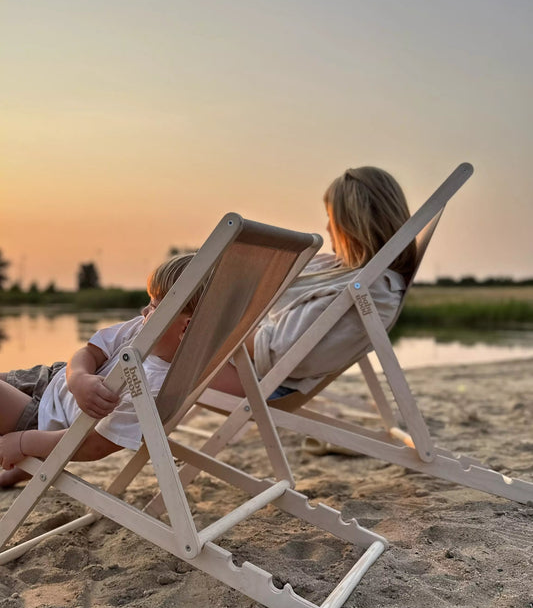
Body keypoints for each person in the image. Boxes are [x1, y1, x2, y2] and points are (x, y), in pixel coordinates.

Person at [210, 166, 417, 398]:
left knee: (167, 352)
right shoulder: (341, 269)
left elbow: (276, 351)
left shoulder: (371, 289)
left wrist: (213, 325)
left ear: (352, 224)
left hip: (257, 380)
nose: (328, 227)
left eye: (332, 218)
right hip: (241, 365)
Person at [0, 254, 204, 487]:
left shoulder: (155, 386)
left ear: (186, 327)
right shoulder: (138, 328)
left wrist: (25, 442)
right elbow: (89, 352)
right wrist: (78, 378)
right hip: (51, 378)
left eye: (154, 306)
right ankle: (24, 469)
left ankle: (33, 459)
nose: (144, 311)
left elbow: (97, 445)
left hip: (46, 421)